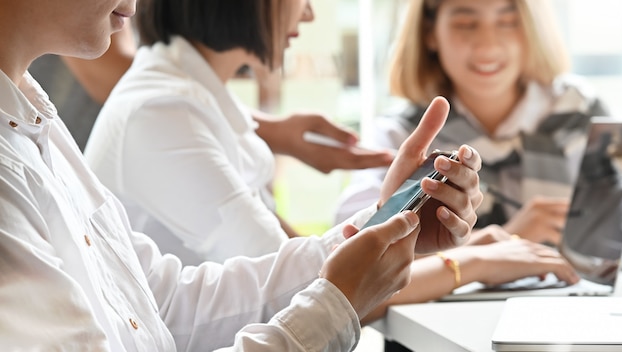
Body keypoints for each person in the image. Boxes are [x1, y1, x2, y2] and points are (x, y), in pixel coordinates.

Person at [0, 0, 484, 350]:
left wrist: (380, 229)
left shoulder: (36, 121)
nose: (310, 13)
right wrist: (336, 303)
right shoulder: (155, 109)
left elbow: (162, 304)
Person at [84, 0, 395, 264]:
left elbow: (296, 263)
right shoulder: (161, 114)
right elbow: (302, 283)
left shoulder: (193, 97)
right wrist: (440, 261)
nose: (308, 13)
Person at [335, 0, 614, 247]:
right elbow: (350, 245)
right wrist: (507, 238)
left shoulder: (580, 111)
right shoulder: (403, 135)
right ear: (430, 33)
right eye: (466, 24)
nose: (488, 44)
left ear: (531, 29)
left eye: (508, 22)